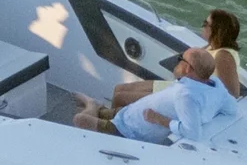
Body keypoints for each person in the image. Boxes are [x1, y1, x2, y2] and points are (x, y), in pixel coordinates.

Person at [75, 46, 237, 144]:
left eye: (181, 58)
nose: (177, 60)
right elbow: (232, 109)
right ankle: (99, 109)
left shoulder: (186, 96)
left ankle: (92, 105)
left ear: (188, 69)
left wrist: (160, 120)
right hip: (127, 115)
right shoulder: (215, 85)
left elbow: (193, 133)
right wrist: (207, 111)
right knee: (108, 112)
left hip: (128, 131)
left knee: (80, 120)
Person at [109, 8, 244, 109]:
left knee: (120, 98)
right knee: (119, 89)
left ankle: (112, 131)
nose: (202, 26)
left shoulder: (223, 56)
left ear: (217, 30)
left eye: (205, 23)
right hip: (178, 87)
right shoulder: (212, 47)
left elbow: (232, 94)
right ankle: (117, 122)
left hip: (184, 95)